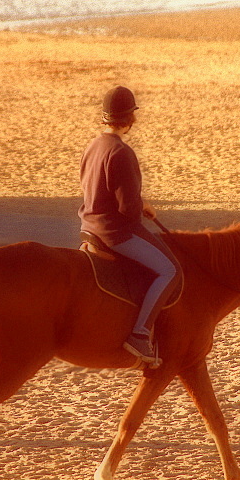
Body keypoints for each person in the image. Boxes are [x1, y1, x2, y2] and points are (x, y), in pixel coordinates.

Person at [78, 86, 182, 366]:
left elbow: (98, 188)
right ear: (130, 118)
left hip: (88, 225)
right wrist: (141, 207)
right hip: (114, 233)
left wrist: (140, 201)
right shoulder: (122, 152)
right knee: (170, 271)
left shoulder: (93, 145)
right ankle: (139, 334)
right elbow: (127, 210)